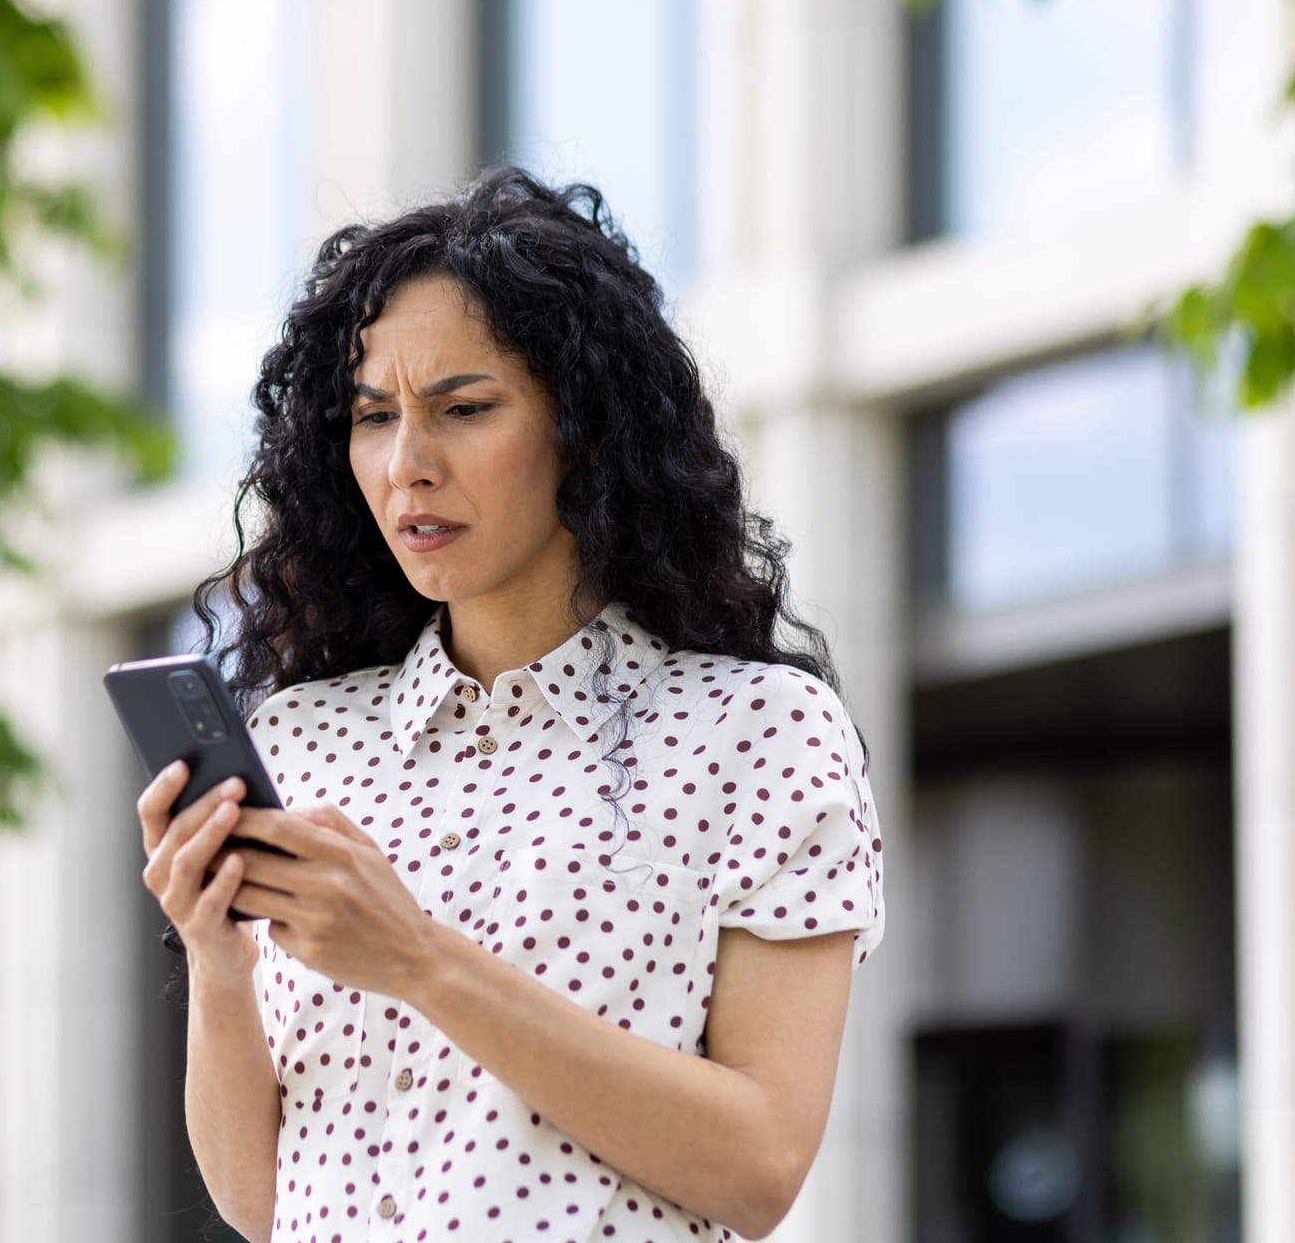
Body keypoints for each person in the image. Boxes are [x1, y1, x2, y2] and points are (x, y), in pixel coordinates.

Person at [134, 166, 886, 1243]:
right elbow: (266, 1202)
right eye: (373, 416)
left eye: (464, 408)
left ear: (586, 426)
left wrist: (419, 959)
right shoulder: (303, 738)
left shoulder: (754, 731)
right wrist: (215, 957)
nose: (407, 465)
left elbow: (760, 1163)